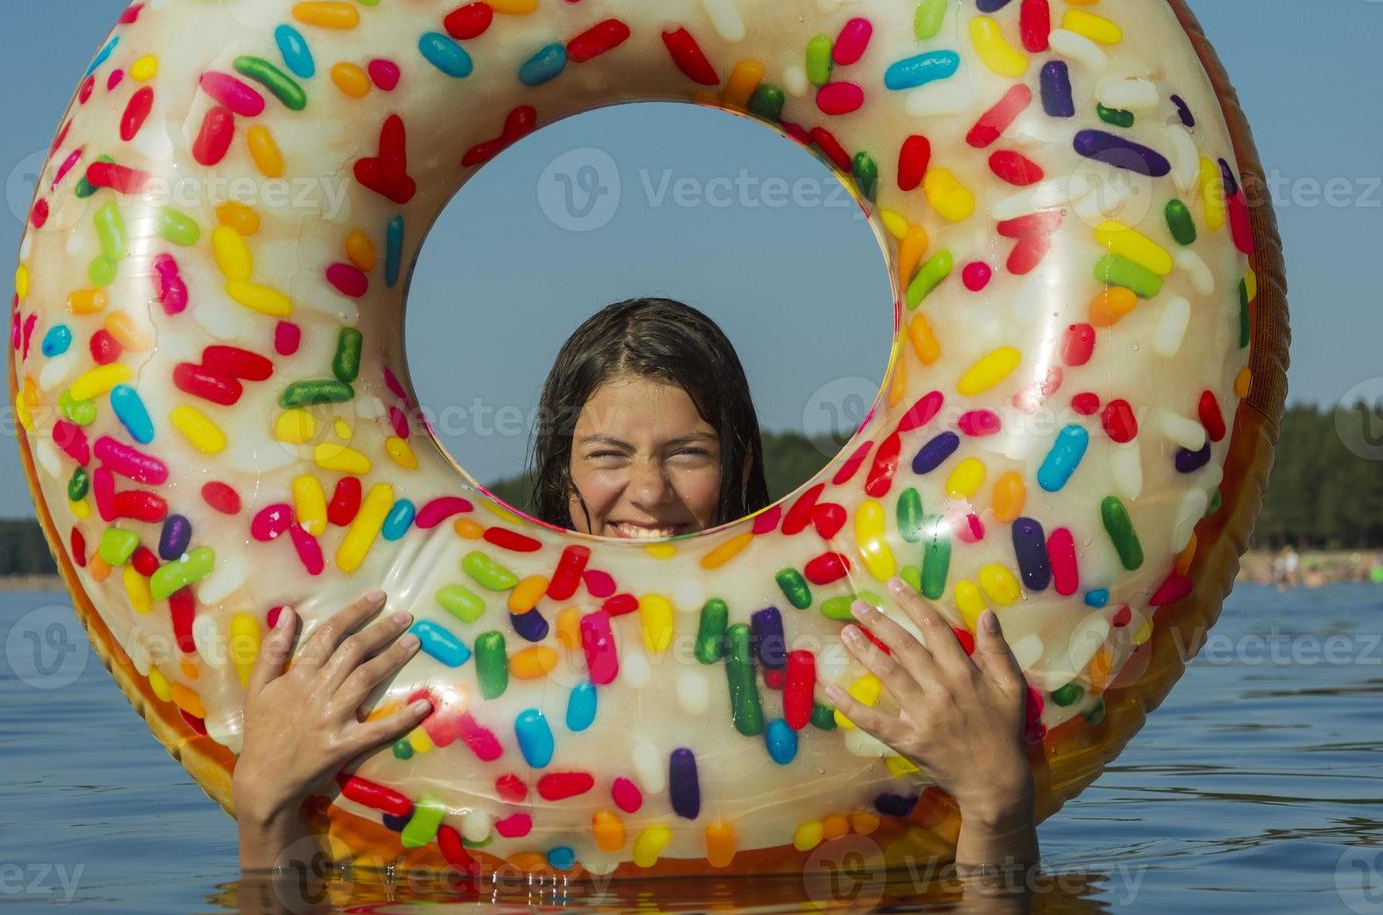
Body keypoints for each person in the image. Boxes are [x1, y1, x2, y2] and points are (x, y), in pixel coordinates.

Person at [235, 297, 1038, 876]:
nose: (649, 492)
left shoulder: (842, 662)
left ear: (741, 464)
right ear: (562, 469)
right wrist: (266, 807)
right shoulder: (437, 664)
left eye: (687, 453)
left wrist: (996, 804)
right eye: (610, 456)